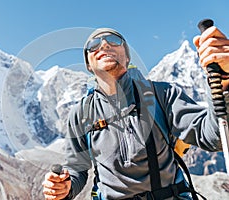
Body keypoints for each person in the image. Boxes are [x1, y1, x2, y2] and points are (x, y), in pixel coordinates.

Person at [42, 25, 229, 200]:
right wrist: (64, 188)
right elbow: (77, 168)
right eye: (93, 45)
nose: (104, 44)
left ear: (127, 57)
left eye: (113, 40)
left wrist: (224, 82)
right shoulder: (81, 113)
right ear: (89, 66)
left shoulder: (162, 94)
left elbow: (214, 136)